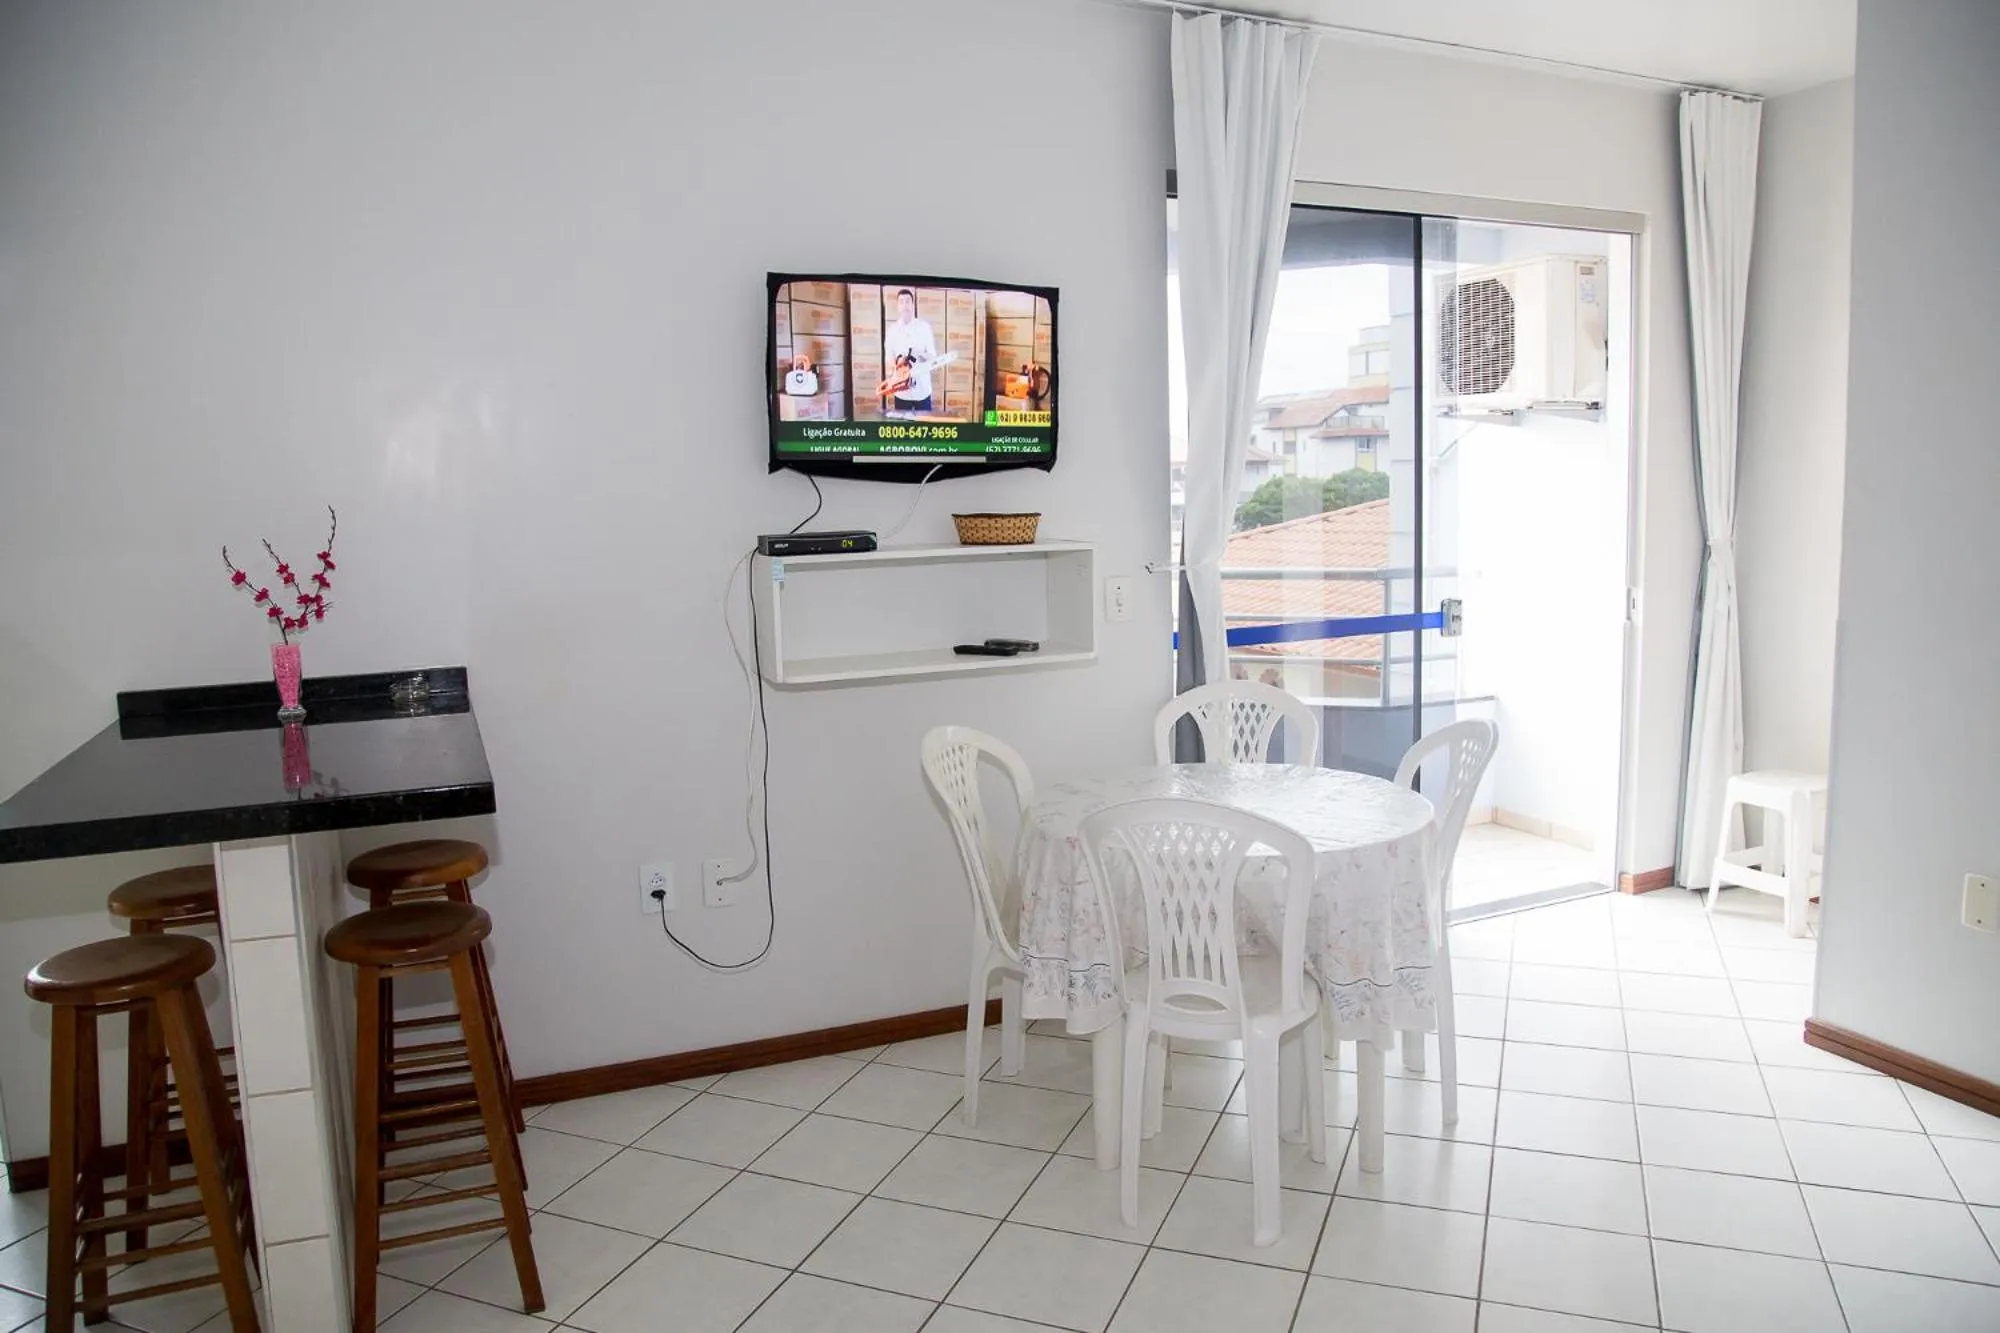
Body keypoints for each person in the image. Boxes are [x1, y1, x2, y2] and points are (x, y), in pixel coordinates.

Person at [881, 288, 937, 413]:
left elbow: (933, 357)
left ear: (913, 305)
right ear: (897, 307)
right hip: (901, 391)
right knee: (903, 427)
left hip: (922, 390)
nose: (905, 305)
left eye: (907, 301)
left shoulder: (924, 327)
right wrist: (898, 365)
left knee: (925, 429)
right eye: (901, 302)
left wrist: (920, 354)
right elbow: (888, 359)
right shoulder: (892, 331)